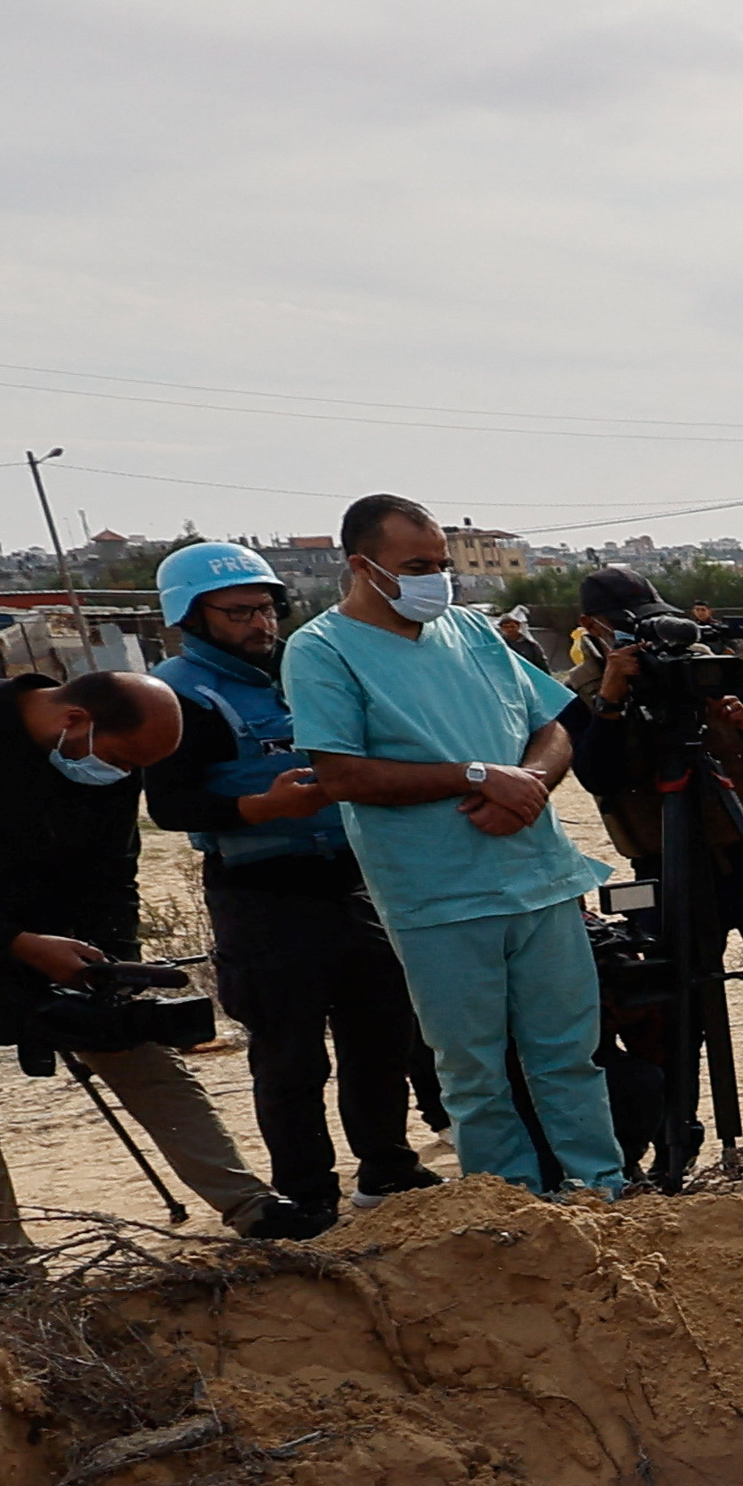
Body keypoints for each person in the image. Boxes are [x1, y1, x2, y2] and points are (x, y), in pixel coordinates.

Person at [0, 660, 285, 1269]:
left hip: (39, 922)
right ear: (75, 719)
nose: (126, 776)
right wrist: (17, 943)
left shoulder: (106, 761)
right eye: (123, 760)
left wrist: (113, 964)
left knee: (137, 1049)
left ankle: (254, 1207)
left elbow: (111, 872)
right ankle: (2, 1265)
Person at [281, 492, 630, 1200]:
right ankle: (507, 1205)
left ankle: (601, 1189)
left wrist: (528, 783)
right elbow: (340, 773)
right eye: (416, 565)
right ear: (362, 566)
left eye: (441, 564)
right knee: (473, 1072)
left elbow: (557, 720)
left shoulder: (471, 632)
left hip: (538, 877)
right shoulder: (321, 651)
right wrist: (475, 776)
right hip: (437, 894)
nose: (435, 579)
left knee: (569, 1055)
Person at [144, 539, 439, 1217]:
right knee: (290, 1055)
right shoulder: (179, 696)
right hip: (262, 893)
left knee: (381, 1035)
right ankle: (306, 1194)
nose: (261, 624)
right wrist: (264, 808)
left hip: (350, 880)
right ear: (192, 617)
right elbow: (170, 805)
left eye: (268, 608)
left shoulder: (306, 673)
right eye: (240, 612)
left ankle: (387, 1169)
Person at [558, 568, 743, 1180]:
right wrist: (615, 697)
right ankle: (677, 1143)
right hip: (668, 865)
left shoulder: (716, 669)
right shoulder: (586, 693)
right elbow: (598, 776)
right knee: (676, 1013)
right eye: (626, 625)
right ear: (592, 628)